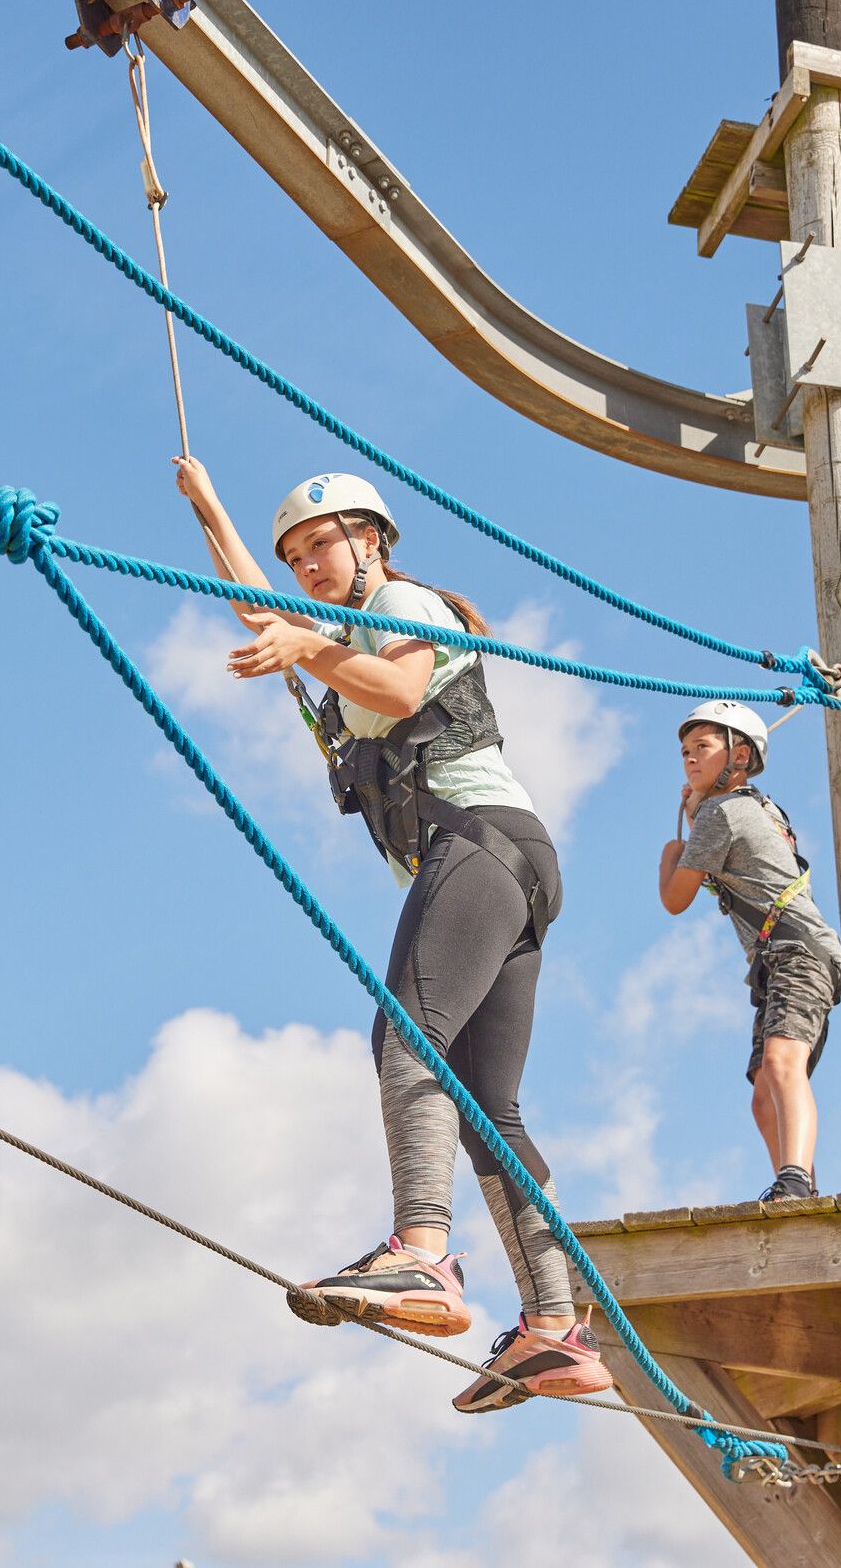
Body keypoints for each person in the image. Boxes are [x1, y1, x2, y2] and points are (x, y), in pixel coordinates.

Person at [172, 458, 611, 1413]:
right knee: (487, 1107)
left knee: (405, 1033)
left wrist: (301, 645)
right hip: (508, 864)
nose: (307, 566)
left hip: (479, 841)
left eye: (321, 544)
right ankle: (554, 1328)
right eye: (295, 557)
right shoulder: (335, 630)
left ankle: (420, 1252)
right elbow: (263, 613)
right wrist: (209, 507)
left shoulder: (410, 603)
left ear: (371, 540)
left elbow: (401, 689)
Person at [656, 701, 841, 1203]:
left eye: (703, 747)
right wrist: (697, 809)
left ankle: (796, 1181)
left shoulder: (722, 813)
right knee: (765, 1093)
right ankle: (799, 1180)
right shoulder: (759, 807)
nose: (690, 759)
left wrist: (670, 854)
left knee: (782, 1063)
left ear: (739, 756)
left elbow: (675, 899)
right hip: (784, 957)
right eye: (685, 752)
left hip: (796, 953)